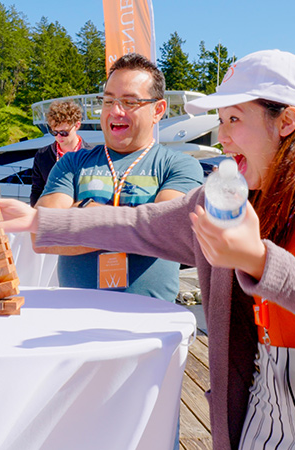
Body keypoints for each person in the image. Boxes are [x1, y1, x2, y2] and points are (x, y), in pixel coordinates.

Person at [0, 49, 295, 449]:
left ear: (286, 121)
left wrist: (258, 259)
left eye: (234, 119)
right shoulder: (226, 196)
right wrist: (41, 221)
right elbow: (142, 224)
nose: (224, 137)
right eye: (220, 120)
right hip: (261, 395)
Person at [35, 52, 203, 302]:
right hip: (75, 318)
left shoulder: (179, 165)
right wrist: (139, 223)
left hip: (149, 324)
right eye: (108, 101)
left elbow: (164, 230)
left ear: (158, 110)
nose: (116, 111)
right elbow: (41, 234)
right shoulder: (72, 163)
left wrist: (82, 214)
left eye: (130, 102)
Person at [30, 100, 91, 206]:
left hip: (81, 215)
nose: (59, 137)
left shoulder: (91, 155)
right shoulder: (42, 156)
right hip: (53, 215)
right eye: (54, 132)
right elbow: (37, 191)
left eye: (64, 133)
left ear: (77, 125)